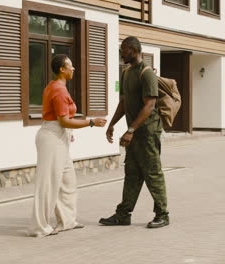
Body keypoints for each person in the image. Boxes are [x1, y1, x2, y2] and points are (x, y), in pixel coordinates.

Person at [26, 54, 107, 237]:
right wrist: (91, 122)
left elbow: (64, 122)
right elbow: (64, 121)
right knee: (47, 184)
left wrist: (68, 133)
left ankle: (67, 221)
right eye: (70, 66)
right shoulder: (58, 90)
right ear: (62, 69)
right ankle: (39, 227)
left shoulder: (59, 87)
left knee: (67, 181)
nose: (73, 69)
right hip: (52, 138)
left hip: (58, 136)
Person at [99, 36, 169, 228]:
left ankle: (162, 214)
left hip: (148, 133)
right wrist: (112, 124)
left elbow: (149, 105)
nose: (121, 53)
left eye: (123, 50)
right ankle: (123, 214)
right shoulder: (126, 72)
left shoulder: (146, 73)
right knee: (131, 173)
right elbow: (124, 103)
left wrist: (130, 130)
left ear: (132, 50)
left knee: (152, 173)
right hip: (134, 132)